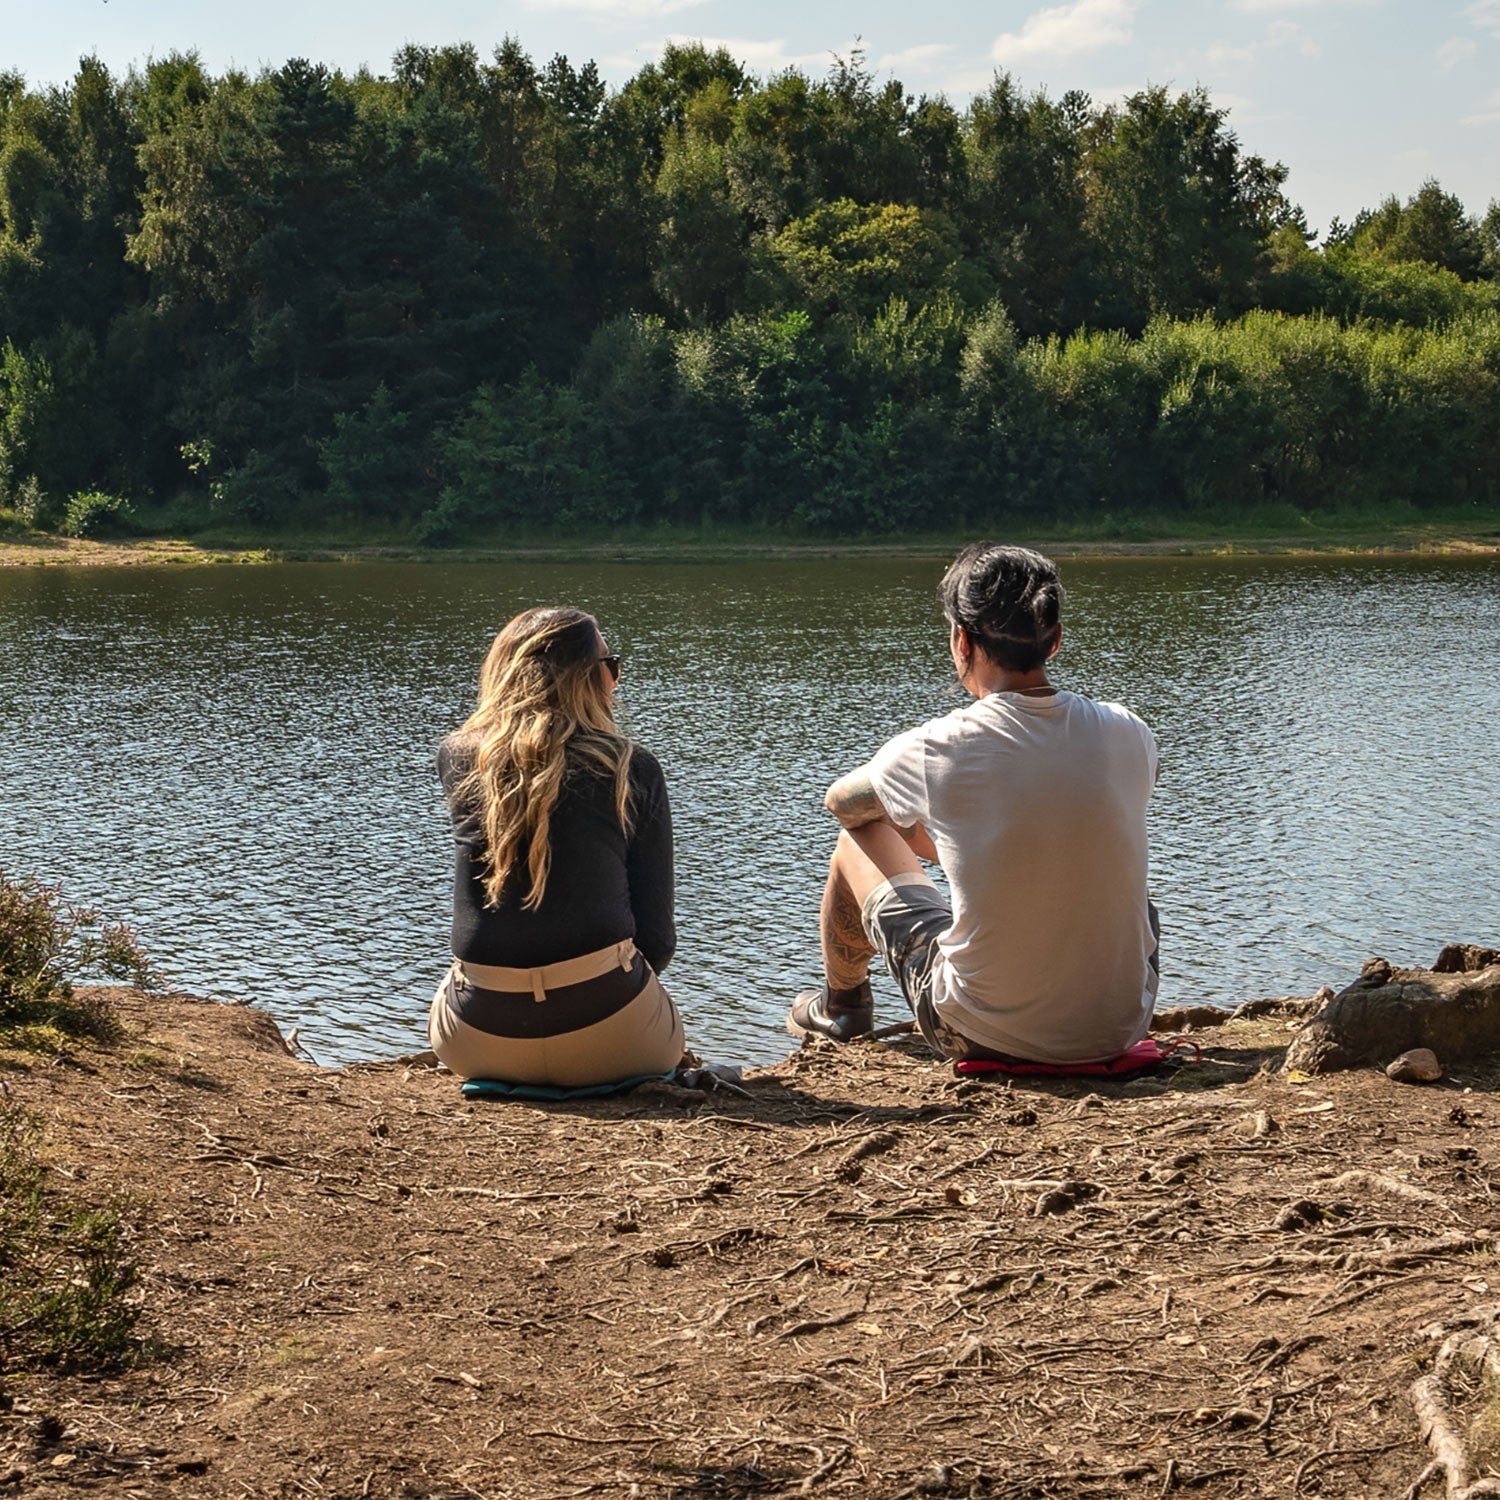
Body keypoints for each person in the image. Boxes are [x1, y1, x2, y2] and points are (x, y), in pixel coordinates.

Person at [787, 543, 1160, 1064]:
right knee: (1121, 880)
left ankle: (843, 1007)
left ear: (961, 641)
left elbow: (841, 803)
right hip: (1120, 1025)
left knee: (857, 839)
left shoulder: (936, 746)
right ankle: (1093, 1002)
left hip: (983, 1033)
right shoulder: (1130, 732)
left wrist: (933, 843)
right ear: (1053, 641)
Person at [429, 606, 683, 1086]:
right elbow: (657, 941)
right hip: (617, 1041)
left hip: (476, 1041)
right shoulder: (631, 768)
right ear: (589, 680)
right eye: (610, 666)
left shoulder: (459, 757)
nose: (615, 679)